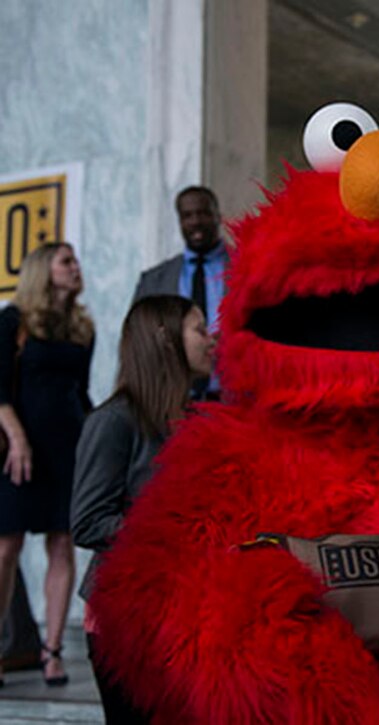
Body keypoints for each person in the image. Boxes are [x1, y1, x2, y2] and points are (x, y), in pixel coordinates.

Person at [71, 295, 213, 722]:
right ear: (166, 339)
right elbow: (89, 522)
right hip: (127, 620)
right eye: (200, 329)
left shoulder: (197, 419)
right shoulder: (114, 422)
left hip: (185, 611)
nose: (212, 339)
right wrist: (176, 530)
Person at [0, 242, 94, 687]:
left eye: (74, 261)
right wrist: (17, 439)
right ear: (44, 270)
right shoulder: (12, 321)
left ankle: (52, 652)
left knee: (62, 544)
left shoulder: (82, 326)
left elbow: (82, 393)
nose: (75, 268)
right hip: (19, 450)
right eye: (66, 261)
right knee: (5, 548)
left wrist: (97, 445)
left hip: (68, 448)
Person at [133, 186, 226, 398]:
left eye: (203, 213)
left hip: (233, 399)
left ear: (218, 216)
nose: (195, 221)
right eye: (187, 215)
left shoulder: (247, 268)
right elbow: (138, 343)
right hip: (171, 401)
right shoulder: (153, 281)